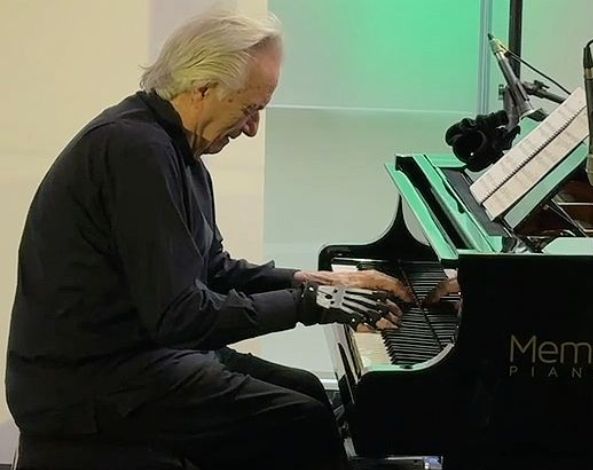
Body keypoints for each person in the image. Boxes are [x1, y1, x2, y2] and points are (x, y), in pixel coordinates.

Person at [6, 10, 412, 470]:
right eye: (250, 109)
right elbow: (181, 317)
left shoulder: (174, 148)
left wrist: (314, 281)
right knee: (300, 419)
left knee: (308, 389)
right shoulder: (135, 150)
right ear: (202, 89)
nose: (253, 128)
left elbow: (214, 270)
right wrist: (312, 304)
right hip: (85, 384)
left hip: (135, 360)